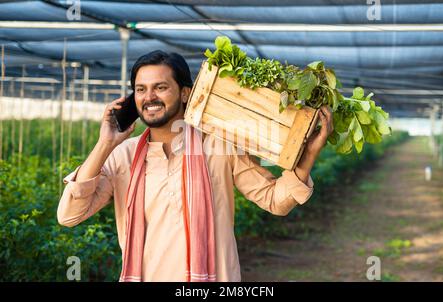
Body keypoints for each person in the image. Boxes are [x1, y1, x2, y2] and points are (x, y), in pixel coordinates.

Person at [57, 50, 334, 282]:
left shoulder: (220, 145)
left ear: (186, 93)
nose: (149, 97)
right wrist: (105, 143)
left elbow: (275, 201)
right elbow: (69, 215)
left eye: (160, 87)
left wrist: (307, 154)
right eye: (140, 89)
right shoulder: (123, 157)